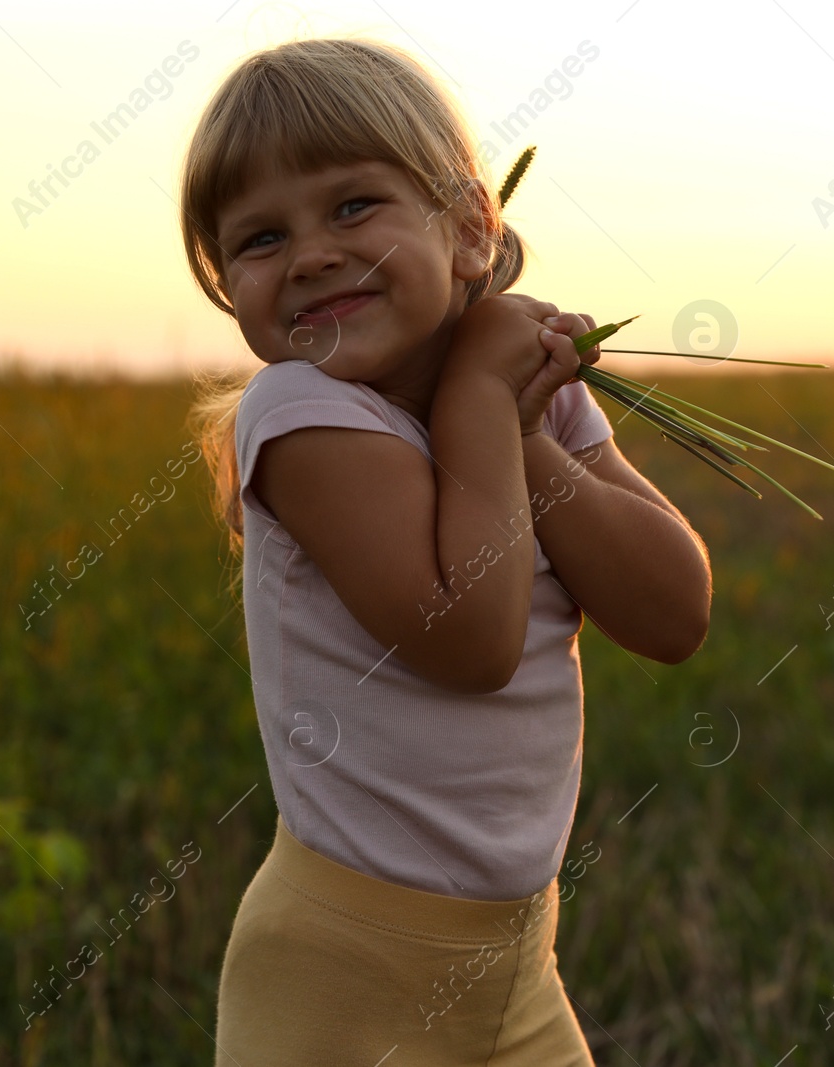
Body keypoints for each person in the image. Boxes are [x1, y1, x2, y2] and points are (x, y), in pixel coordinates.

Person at [180, 36, 712, 1065]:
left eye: (351, 206)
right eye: (257, 237)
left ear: (469, 229)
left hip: (514, 966)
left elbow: (672, 611)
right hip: (340, 978)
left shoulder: (532, 399)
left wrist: (519, 426)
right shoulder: (301, 415)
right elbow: (466, 637)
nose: (310, 253)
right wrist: (481, 404)